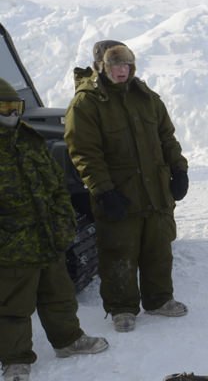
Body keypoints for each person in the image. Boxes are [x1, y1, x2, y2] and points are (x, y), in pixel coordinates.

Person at [65, 41, 189, 333]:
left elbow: (166, 137)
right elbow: (84, 153)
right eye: (114, 66)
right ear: (101, 67)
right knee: (119, 249)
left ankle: (159, 299)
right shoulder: (87, 103)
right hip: (119, 190)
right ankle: (122, 308)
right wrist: (103, 190)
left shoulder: (145, 97)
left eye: (126, 65)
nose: (122, 71)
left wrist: (179, 169)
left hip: (155, 190)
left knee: (158, 246)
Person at [1, 76, 109, 381]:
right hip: (11, 246)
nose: (12, 114)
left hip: (46, 237)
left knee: (58, 295)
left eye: (15, 106)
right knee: (12, 306)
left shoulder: (29, 139)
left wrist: (63, 223)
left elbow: (57, 188)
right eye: (5, 107)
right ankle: (16, 360)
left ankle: (68, 340)